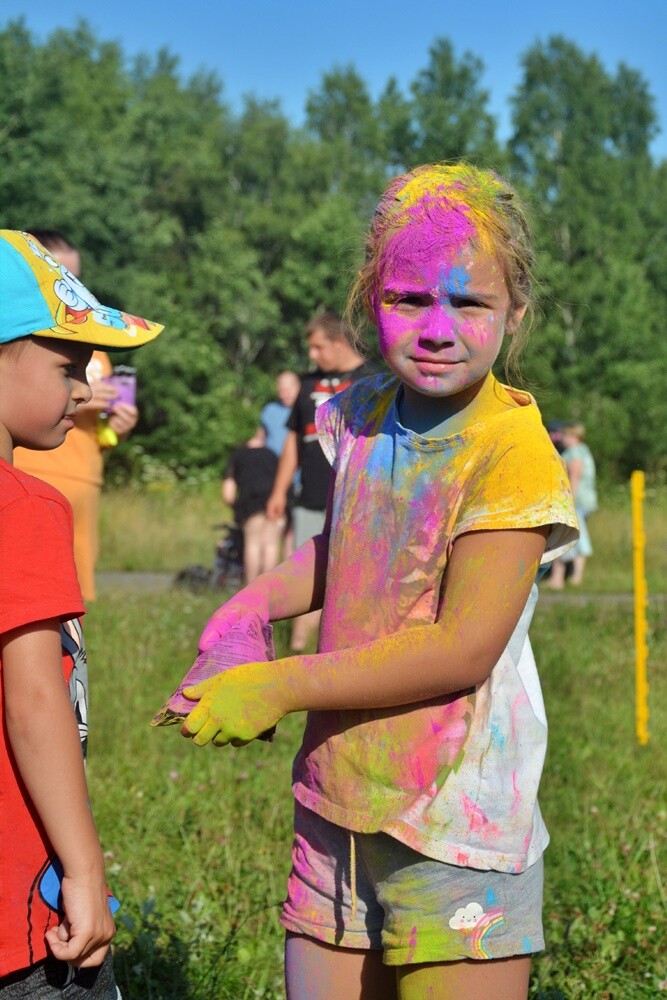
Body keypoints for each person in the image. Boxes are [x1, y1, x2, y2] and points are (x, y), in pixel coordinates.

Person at [179, 165, 578, 1000]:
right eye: (408, 300)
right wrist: (249, 604)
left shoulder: (511, 451)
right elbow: (343, 548)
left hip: (456, 831)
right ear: (370, 301)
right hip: (334, 808)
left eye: (468, 304)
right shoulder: (360, 411)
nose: (437, 329)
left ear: (515, 312)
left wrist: (279, 682)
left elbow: (462, 649)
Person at [0, 230, 162, 994]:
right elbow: (34, 700)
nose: (81, 387)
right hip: (23, 919)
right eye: (67, 366)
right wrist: (86, 871)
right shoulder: (25, 506)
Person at [14, 231, 140, 603]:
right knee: (33, 586)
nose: (72, 288)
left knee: (76, 592)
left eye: (76, 278)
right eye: (61, 277)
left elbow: (98, 433)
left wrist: (117, 428)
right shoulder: (25, 346)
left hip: (85, 479)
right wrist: (81, 401)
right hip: (36, 471)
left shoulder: (96, 356)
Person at [266, 312, 376, 651]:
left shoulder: (373, 380)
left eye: (318, 347)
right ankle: (298, 647)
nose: (312, 356)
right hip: (311, 496)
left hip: (359, 498)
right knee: (309, 572)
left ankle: (347, 646)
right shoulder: (306, 385)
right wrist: (279, 491)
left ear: (340, 342)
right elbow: (292, 441)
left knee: (355, 575)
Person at [222, 430, 282, 583]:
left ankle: (251, 587)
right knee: (271, 545)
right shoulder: (272, 455)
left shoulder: (238, 455)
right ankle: (268, 588)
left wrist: (236, 507)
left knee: (253, 544)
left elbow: (228, 493)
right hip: (275, 503)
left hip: (250, 505)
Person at [547, 423, 597, 589]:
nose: (564, 439)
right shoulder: (585, 450)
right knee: (577, 536)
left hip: (577, 500)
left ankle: (564, 579)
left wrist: (570, 500)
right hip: (587, 499)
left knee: (568, 536)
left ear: (574, 437)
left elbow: (574, 476)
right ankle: (573, 577)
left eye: (567, 436)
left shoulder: (574, 452)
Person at [260, 371, 301, 458]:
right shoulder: (270, 410)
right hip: (270, 465)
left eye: (287, 390)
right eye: (281, 391)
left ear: (298, 387)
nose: (283, 395)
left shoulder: (307, 410)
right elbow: (260, 437)